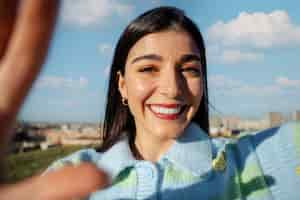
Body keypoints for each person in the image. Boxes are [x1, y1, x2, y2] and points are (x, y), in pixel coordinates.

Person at [46, 6, 300, 200]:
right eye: (148, 68)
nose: (172, 88)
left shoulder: (252, 161)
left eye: (189, 69)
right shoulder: (72, 175)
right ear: (122, 85)